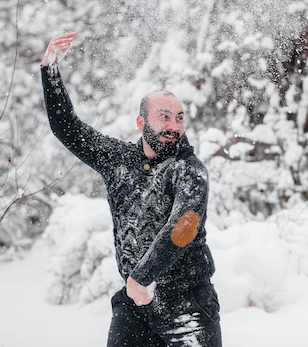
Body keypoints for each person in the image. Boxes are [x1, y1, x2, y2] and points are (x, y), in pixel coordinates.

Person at [39, 32, 222, 347]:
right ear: (141, 122)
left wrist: (142, 276)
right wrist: (50, 71)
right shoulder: (118, 161)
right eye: (164, 116)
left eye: (179, 118)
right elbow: (66, 127)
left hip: (188, 307)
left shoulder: (189, 170)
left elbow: (183, 228)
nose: (173, 125)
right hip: (135, 308)